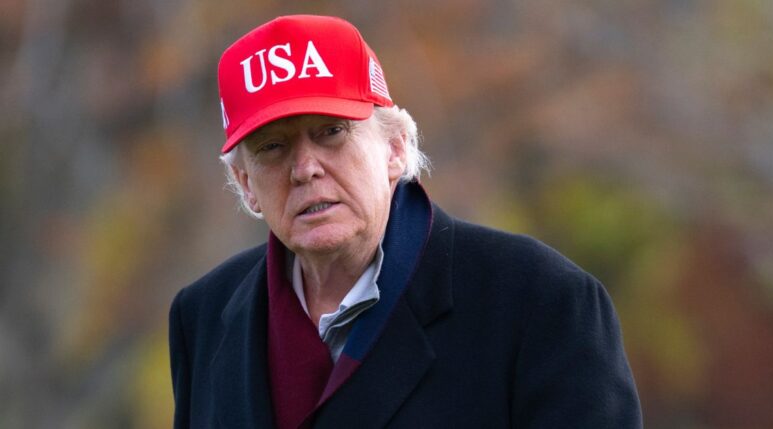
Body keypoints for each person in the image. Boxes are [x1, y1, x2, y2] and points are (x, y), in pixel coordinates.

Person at [169, 14, 642, 429]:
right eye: (272, 147)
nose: (305, 168)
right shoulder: (204, 317)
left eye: (331, 132)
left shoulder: (539, 300)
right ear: (245, 183)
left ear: (395, 148)